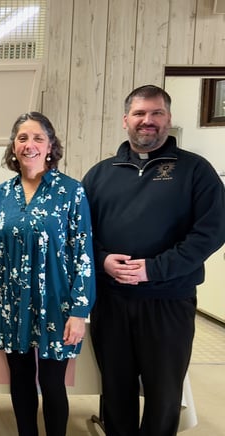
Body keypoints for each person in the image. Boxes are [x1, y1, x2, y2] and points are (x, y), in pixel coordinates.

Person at [82, 85, 225, 436]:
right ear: (125, 120)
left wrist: (153, 269)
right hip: (111, 302)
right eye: (140, 113)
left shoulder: (195, 171)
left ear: (168, 119)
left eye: (156, 113)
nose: (148, 120)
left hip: (168, 301)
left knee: (164, 395)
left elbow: (210, 233)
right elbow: (80, 234)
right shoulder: (99, 175)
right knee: (116, 391)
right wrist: (103, 261)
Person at [0, 112, 96, 436]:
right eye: (22, 138)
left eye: (37, 138)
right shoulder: (3, 193)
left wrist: (79, 311)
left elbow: (83, 254)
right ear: (13, 147)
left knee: (52, 382)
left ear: (50, 146)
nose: (29, 145)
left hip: (56, 303)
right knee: (19, 379)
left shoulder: (71, 191)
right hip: (11, 303)